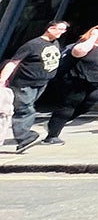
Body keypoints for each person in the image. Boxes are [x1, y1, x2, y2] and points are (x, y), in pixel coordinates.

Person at [0, 19, 68, 154]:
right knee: (24, 109)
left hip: (41, 82)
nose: (62, 32)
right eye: (59, 29)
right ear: (50, 28)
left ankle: (24, 136)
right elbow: (13, 62)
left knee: (28, 106)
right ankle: (25, 137)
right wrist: (2, 80)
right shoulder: (32, 45)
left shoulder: (55, 43)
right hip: (25, 83)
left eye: (64, 30)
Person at [44, 22, 98, 144]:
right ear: (94, 32)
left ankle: (56, 123)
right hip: (76, 81)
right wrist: (92, 37)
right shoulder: (82, 44)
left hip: (94, 82)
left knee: (92, 99)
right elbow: (80, 52)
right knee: (68, 106)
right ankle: (52, 135)